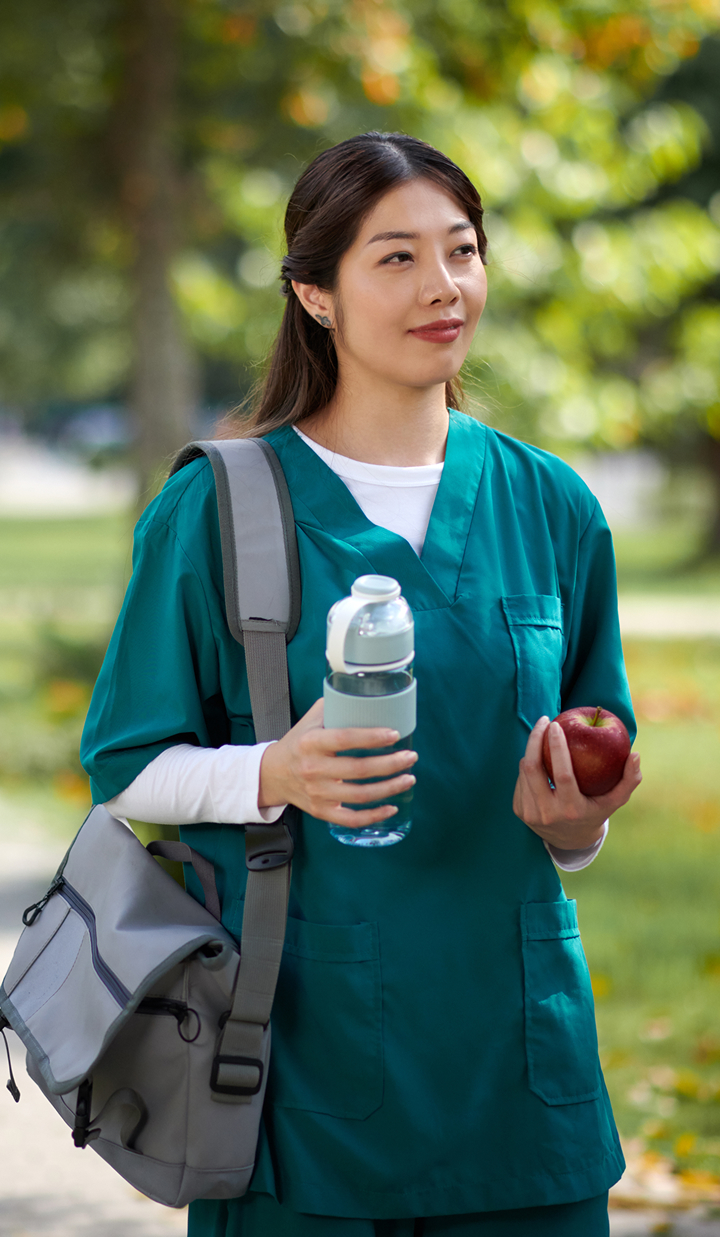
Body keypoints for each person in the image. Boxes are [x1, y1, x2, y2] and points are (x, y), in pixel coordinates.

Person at [81, 132, 642, 1237]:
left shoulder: (553, 505)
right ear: (314, 294)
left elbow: (587, 755)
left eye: (463, 250)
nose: (444, 286)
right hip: (302, 1073)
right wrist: (273, 770)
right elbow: (126, 771)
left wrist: (579, 823)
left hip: (519, 1074)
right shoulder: (219, 509)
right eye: (395, 258)